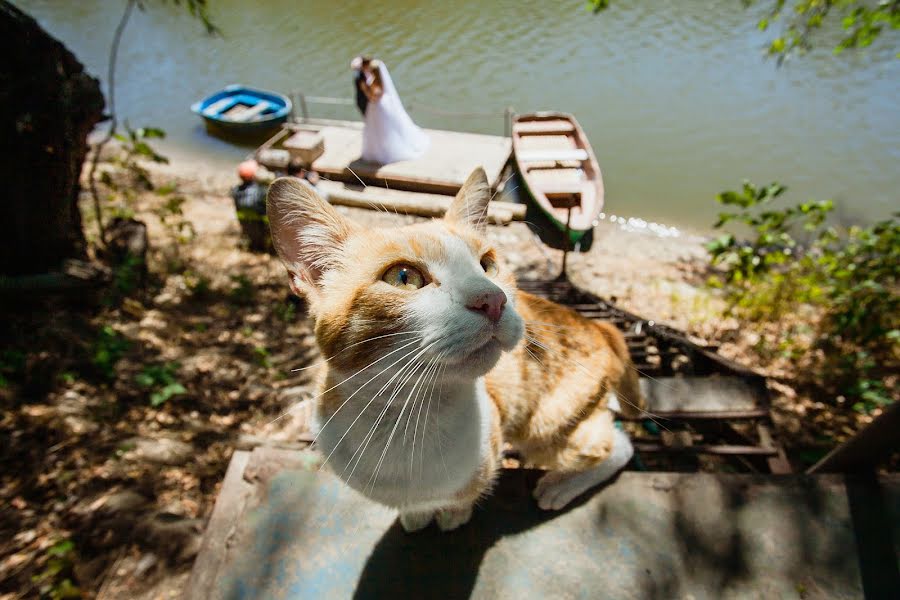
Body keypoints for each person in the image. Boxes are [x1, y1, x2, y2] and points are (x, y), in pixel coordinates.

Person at [353, 57, 430, 165]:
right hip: (377, 107)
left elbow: (374, 97)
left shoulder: (375, 84)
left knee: (382, 130)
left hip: (378, 107)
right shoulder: (377, 81)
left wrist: (366, 89)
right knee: (382, 130)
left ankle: (384, 151)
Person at [230, 160, 270, 252]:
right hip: (262, 227)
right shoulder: (262, 191)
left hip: (246, 225)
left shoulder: (235, 191)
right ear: (253, 175)